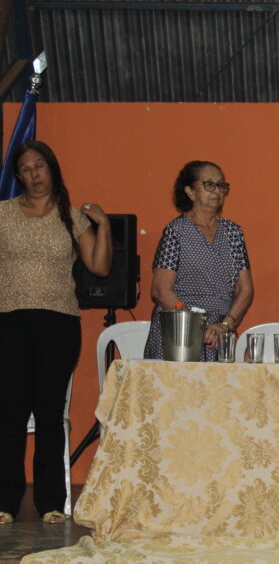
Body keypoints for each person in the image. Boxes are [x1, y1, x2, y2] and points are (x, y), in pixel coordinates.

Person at [0, 141, 112, 524]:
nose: (34, 174)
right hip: (10, 321)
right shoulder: (3, 213)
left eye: (40, 166)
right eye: (26, 168)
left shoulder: (70, 215)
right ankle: (5, 502)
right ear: (19, 176)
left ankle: (50, 502)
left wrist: (103, 225)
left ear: (52, 169)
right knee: (10, 412)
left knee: (49, 413)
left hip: (59, 323)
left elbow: (99, 266)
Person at [144, 161, 254, 361]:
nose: (217, 191)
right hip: (179, 334)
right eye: (209, 185)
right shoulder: (176, 231)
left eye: (221, 185)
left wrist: (225, 326)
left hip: (218, 335)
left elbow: (245, 289)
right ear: (190, 192)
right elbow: (161, 290)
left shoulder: (234, 232)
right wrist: (196, 328)